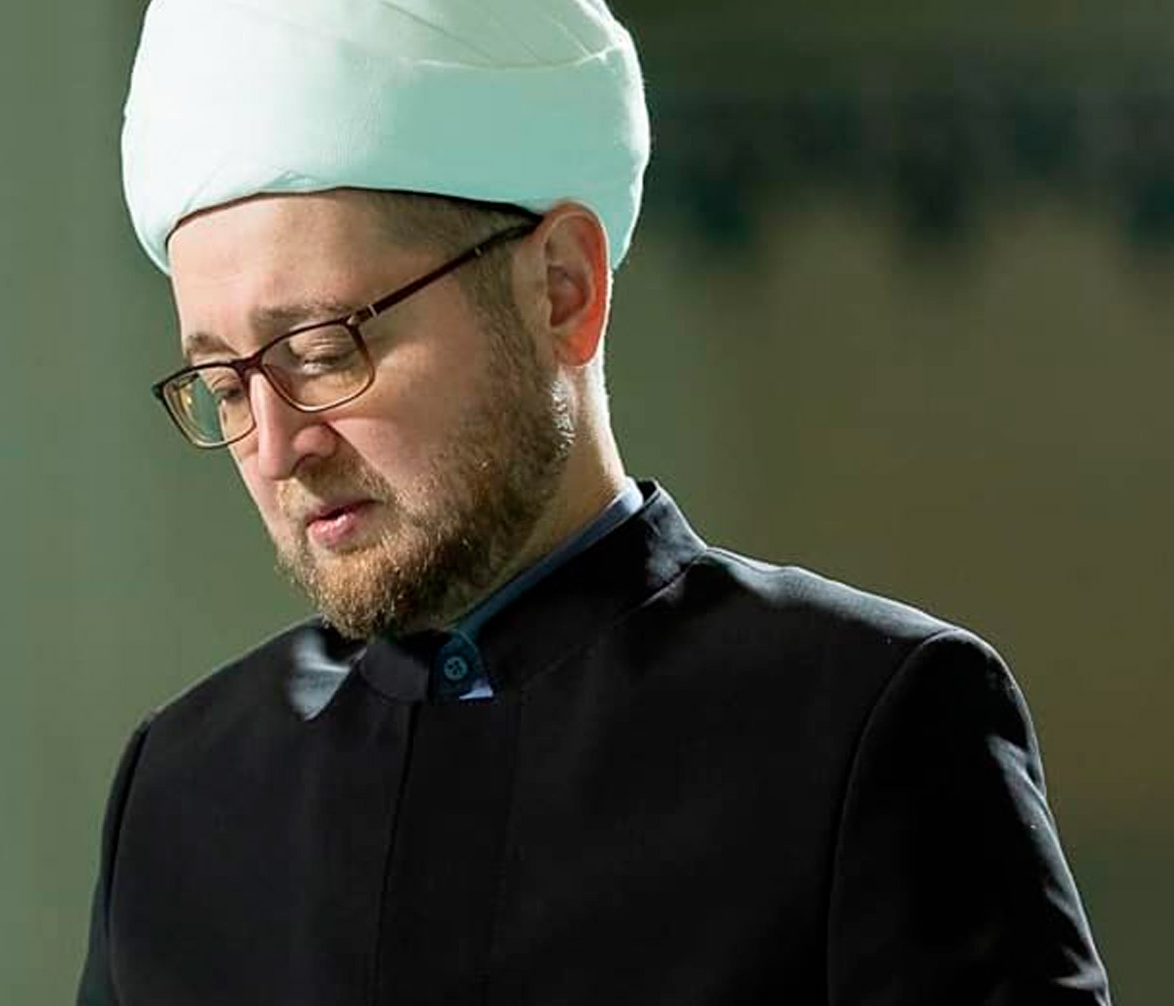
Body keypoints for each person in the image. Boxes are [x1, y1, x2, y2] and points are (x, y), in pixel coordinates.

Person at [78, 1, 1110, 1003]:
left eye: (321, 351)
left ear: (561, 290)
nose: (276, 448)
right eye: (224, 386)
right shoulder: (183, 793)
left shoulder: (866, 727)